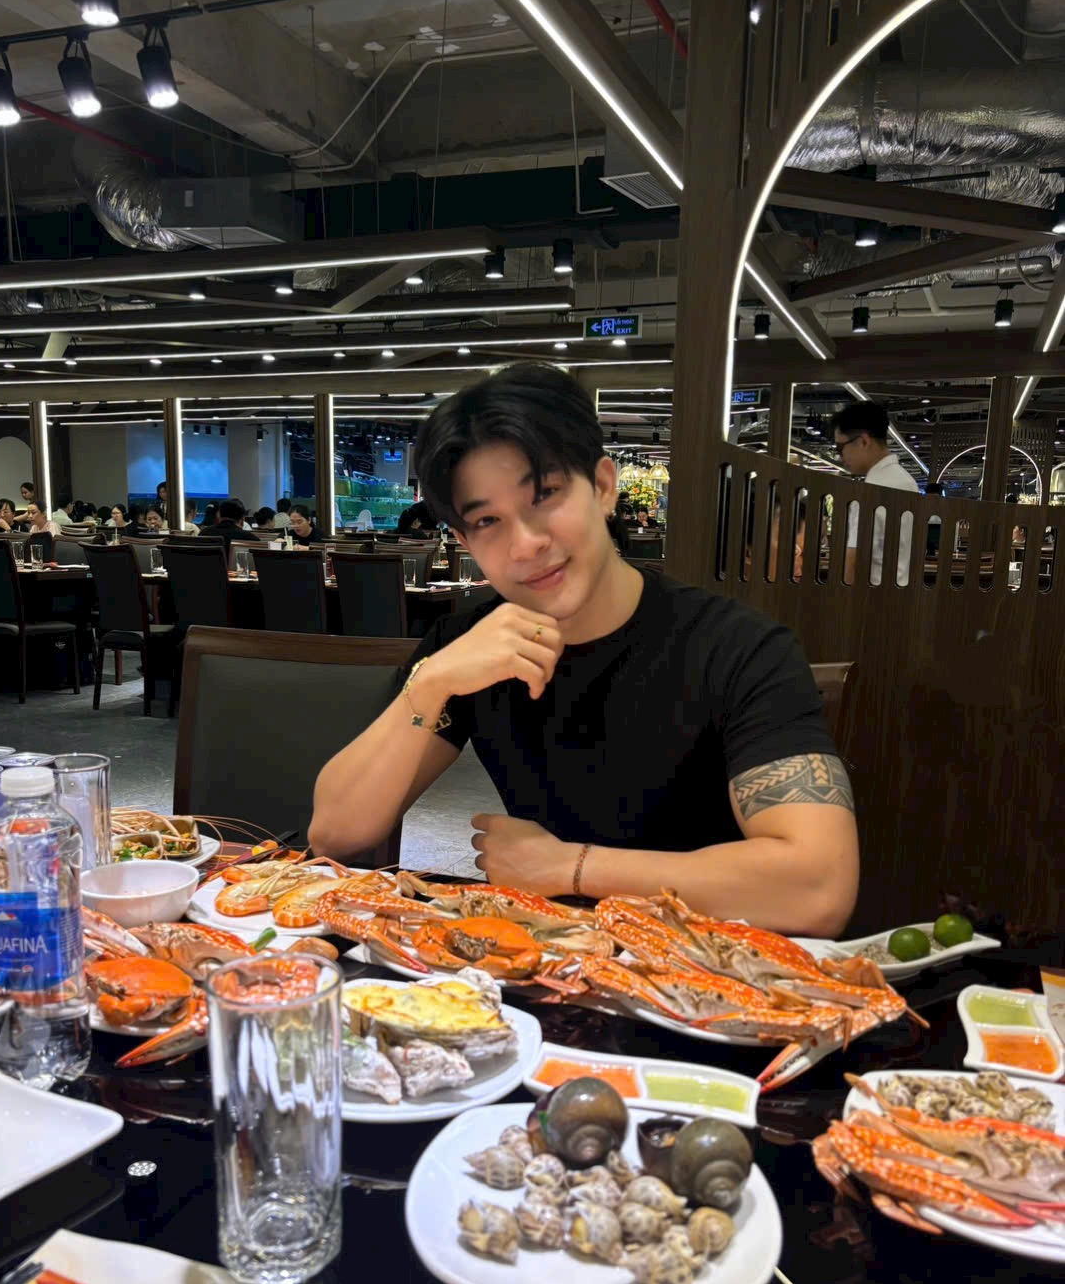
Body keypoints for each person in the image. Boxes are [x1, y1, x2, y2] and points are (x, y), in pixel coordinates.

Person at [310, 363, 858, 937]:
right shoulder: (469, 649)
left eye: (545, 494)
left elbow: (818, 886)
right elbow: (335, 832)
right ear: (466, 540)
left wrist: (569, 867)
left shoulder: (738, 648)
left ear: (602, 486)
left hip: (707, 959)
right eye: (488, 520)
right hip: (551, 958)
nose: (527, 543)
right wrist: (430, 683)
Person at [833, 401, 919, 588]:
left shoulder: (872, 489)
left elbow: (855, 557)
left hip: (871, 595)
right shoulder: (908, 481)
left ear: (863, 441)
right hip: (901, 590)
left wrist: (843, 599)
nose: (840, 457)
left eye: (840, 448)